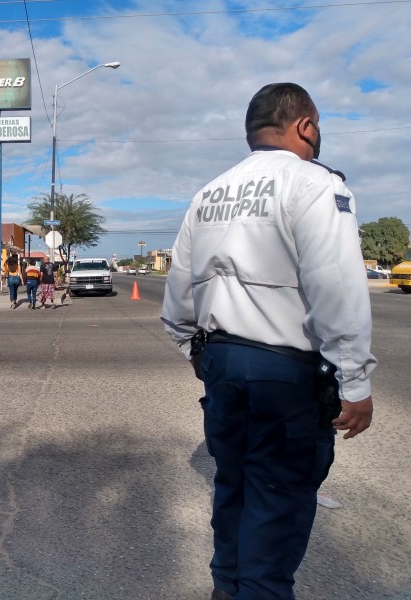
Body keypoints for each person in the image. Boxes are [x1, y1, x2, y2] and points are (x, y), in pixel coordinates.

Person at [161, 83, 376, 600]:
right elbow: (336, 285)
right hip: (286, 374)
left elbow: (179, 288)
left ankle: (226, 591)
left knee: (233, 492)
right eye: (317, 126)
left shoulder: (209, 192)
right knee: (276, 506)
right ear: (304, 126)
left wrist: (196, 350)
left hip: (223, 365)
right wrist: (354, 378)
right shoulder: (314, 185)